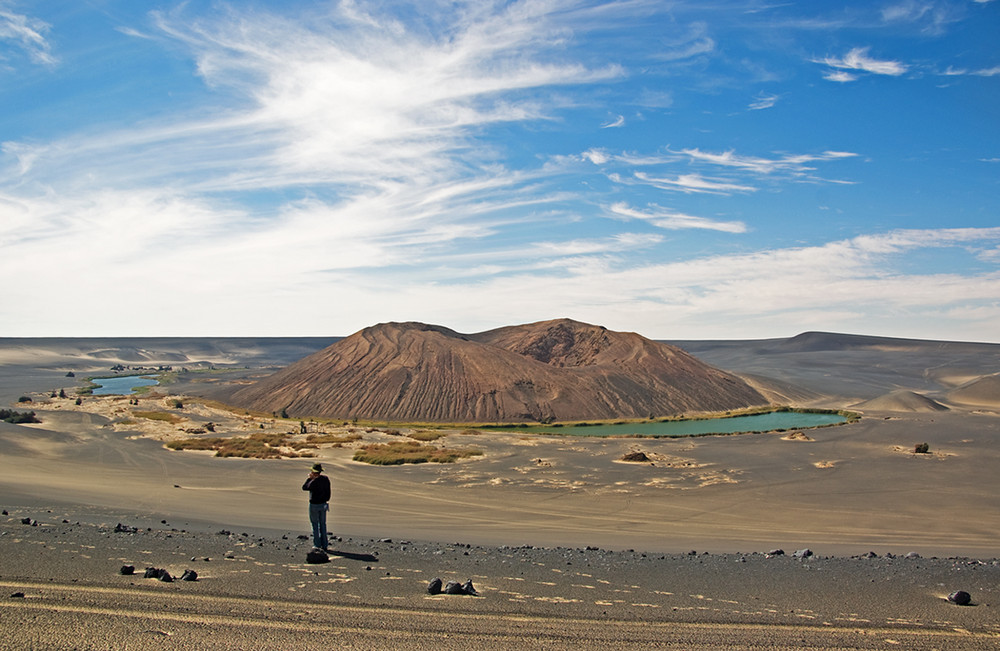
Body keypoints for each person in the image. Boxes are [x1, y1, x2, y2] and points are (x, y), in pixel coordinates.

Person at [302, 462, 331, 551]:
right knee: (322, 524)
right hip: (323, 504)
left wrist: (309, 479)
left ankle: (317, 544)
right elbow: (328, 492)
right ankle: (324, 544)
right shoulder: (325, 479)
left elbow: (305, 487)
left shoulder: (314, 481)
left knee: (315, 524)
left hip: (314, 505)